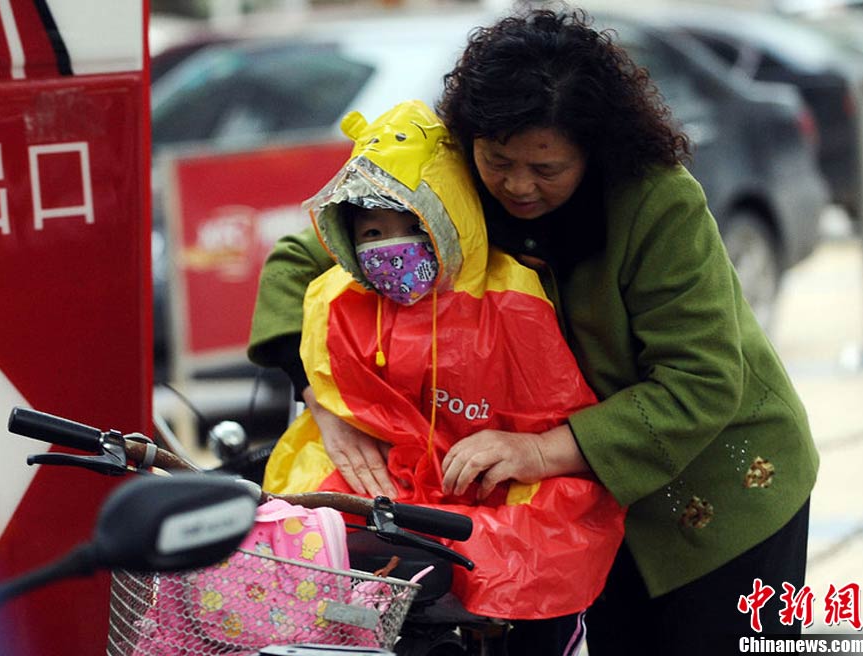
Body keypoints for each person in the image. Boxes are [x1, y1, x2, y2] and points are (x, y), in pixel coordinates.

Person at [249, 8, 819, 654]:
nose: (518, 186)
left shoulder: (655, 202)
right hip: (577, 513)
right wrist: (327, 404)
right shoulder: (446, 178)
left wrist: (539, 452)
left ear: (594, 151)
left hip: (718, 492)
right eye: (499, 161)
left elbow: (702, 382)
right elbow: (300, 260)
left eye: (548, 170)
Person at [255, 99, 625, 653]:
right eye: (372, 232)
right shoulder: (340, 298)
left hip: (494, 486)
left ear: (452, 213)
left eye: (413, 226)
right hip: (386, 485)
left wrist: (530, 455)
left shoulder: (512, 298)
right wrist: (325, 405)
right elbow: (298, 281)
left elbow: (547, 408)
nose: (392, 248)